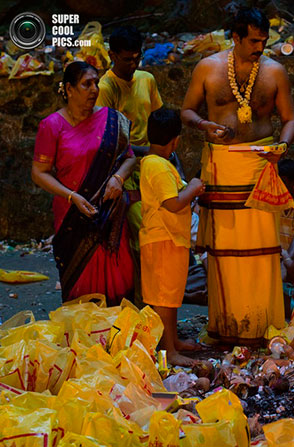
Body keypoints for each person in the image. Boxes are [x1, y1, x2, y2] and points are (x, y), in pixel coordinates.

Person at [181, 7, 294, 347]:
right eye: (253, 41)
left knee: (263, 250)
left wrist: (283, 145)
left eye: (264, 40)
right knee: (224, 250)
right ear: (235, 37)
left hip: (260, 164)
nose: (260, 47)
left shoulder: (275, 71)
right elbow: (186, 111)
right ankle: (227, 326)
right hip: (221, 165)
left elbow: (289, 118)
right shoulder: (208, 67)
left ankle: (263, 326)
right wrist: (205, 125)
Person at [32, 61, 135, 305]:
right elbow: (39, 172)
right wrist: (71, 196)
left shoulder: (111, 120)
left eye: (96, 83)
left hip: (110, 213)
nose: (94, 89)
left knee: (120, 274)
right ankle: (84, 334)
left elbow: (129, 159)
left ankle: (119, 333)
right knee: (81, 278)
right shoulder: (52, 126)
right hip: (73, 214)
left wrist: (118, 178)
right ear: (68, 89)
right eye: (86, 84)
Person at [96, 25, 165, 304]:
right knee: (137, 237)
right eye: (127, 59)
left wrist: (164, 152)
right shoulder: (105, 87)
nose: (133, 64)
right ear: (112, 55)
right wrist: (149, 151)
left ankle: (154, 301)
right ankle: (138, 302)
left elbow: (159, 122)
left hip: (152, 165)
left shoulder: (146, 79)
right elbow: (109, 140)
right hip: (124, 168)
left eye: (137, 58)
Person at [140, 108, 205, 366]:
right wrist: (194, 187)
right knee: (163, 301)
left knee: (171, 297)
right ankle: (169, 353)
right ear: (175, 140)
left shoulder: (158, 164)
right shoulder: (157, 166)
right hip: (162, 240)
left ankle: (173, 341)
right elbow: (173, 203)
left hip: (170, 240)